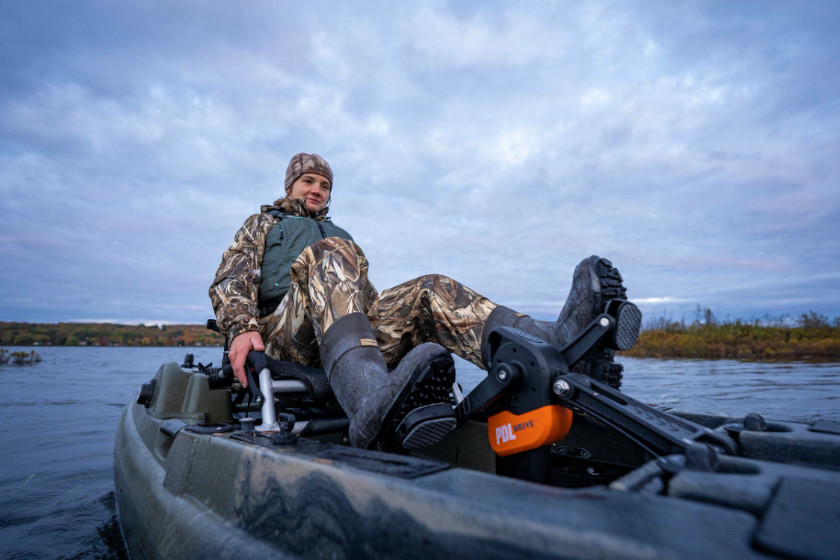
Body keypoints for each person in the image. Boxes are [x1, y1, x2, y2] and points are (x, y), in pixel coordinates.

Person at [210, 153, 638, 450]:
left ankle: (550, 350)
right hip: (286, 333)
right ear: (290, 184)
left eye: (325, 184)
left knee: (430, 288)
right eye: (309, 181)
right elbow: (230, 278)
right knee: (328, 255)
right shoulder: (263, 224)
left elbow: (362, 300)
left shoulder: (342, 235)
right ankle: (367, 406)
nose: (318, 189)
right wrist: (241, 326)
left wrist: (398, 319)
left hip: (342, 338)